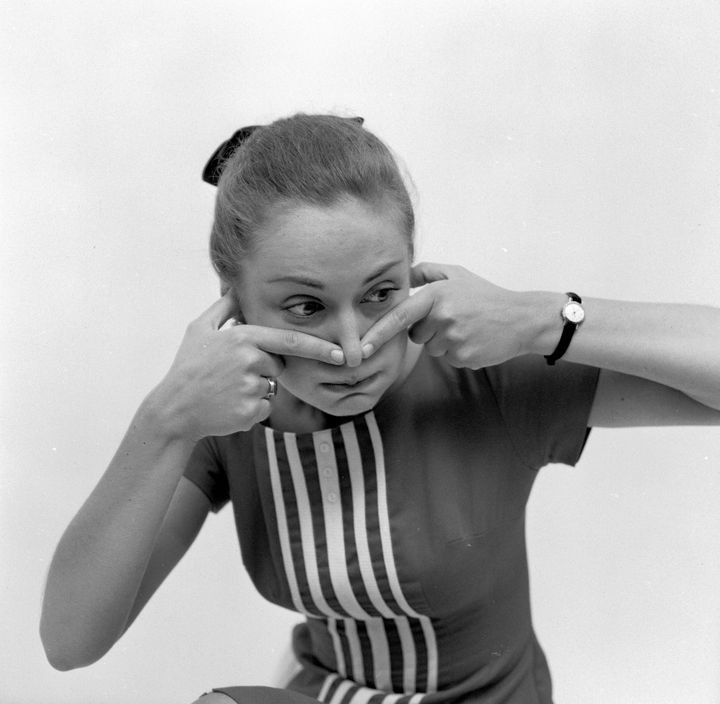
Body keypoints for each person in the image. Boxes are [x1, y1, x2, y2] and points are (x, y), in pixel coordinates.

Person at [40, 114, 720, 704]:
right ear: (235, 303)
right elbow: (70, 642)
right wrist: (164, 418)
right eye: (305, 306)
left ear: (413, 273)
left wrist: (544, 319)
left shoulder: (480, 376)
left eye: (378, 294)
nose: (353, 347)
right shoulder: (228, 419)